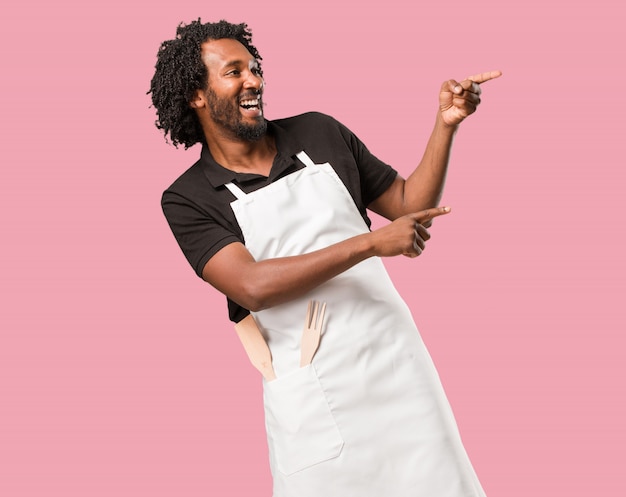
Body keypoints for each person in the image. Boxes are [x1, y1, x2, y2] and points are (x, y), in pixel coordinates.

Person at [150, 18, 501, 497]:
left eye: (254, 68)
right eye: (233, 72)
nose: (253, 80)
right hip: (315, 393)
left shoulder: (318, 132)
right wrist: (370, 243)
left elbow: (407, 206)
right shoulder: (188, 197)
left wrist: (446, 125)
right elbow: (251, 285)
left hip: (397, 367)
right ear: (196, 95)